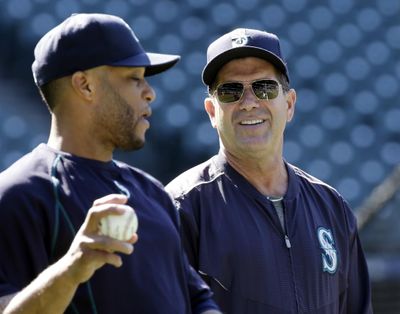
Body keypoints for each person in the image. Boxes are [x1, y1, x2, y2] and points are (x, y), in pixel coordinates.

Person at [0, 13, 221, 314]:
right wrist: (74, 266)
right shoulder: (19, 194)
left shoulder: (152, 192)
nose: (150, 92)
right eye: (134, 78)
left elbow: (197, 300)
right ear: (85, 85)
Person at [166, 28, 373, 313]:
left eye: (264, 88)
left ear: (289, 105)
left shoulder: (331, 207)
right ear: (212, 112)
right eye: (230, 91)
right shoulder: (183, 207)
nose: (249, 103)